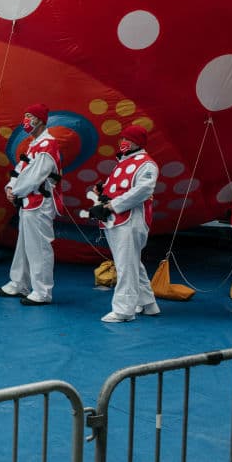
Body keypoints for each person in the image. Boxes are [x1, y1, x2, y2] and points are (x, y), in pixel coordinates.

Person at [89, 125, 161, 322]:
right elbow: (120, 187)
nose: (123, 142)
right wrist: (103, 191)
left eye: (127, 139)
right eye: (122, 138)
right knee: (131, 262)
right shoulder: (122, 162)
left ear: (138, 142)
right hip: (118, 220)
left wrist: (112, 205)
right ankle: (148, 303)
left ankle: (124, 310)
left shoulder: (146, 164)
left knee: (125, 265)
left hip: (131, 220)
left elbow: (143, 190)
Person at [0, 103, 63, 305]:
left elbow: (35, 176)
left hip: (40, 202)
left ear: (40, 120)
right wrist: (10, 187)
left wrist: (16, 191)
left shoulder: (48, 146)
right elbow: (21, 169)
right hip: (28, 201)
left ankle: (42, 291)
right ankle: (19, 282)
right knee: (24, 245)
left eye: (29, 116)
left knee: (39, 247)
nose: (25, 120)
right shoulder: (34, 144)